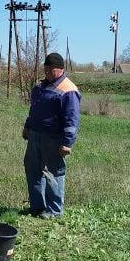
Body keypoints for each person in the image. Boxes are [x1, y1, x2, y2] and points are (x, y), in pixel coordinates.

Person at [22, 52, 80, 218]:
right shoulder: (41, 87)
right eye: (45, 68)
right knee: (32, 170)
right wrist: (27, 126)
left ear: (60, 69)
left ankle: (54, 210)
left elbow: (72, 119)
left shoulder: (68, 90)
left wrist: (67, 143)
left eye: (50, 69)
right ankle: (37, 206)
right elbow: (34, 109)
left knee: (53, 173)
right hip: (35, 135)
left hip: (53, 138)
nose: (47, 71)